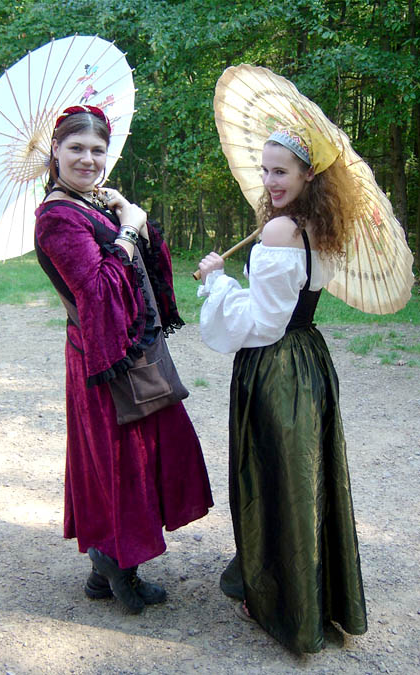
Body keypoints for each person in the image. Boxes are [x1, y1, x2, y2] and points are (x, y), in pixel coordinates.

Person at [34, 105, 213, 614]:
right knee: (118, 459)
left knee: (138, 452)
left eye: (97, 150)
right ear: (55, 152)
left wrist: (128, 217)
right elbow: (99, 290)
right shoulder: (56, 217)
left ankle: (100, 569)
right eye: (77, 149)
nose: (89, 159)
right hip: (103, 358)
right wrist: (130, 231)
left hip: (124, 350)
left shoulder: (89, 204)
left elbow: (139, 265)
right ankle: (119, 568)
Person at [197, 126, 367, 653]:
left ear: (307, 174)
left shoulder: (278, 233)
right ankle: (316, 594)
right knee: (307, 475)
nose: (270, 181)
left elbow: (262, 322)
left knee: (270, 474)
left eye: (281, 171)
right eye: (265, 170)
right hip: (311, 361)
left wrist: (216, 282)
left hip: (274, 368)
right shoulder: (323, 224)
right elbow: (293, 302)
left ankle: (278, 599)